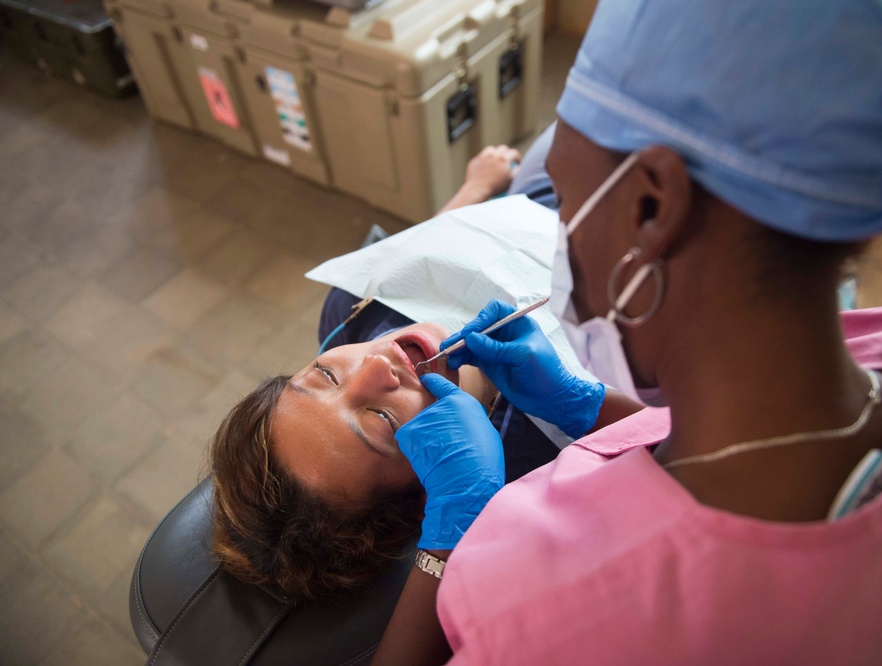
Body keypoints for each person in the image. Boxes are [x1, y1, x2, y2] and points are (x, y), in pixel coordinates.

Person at [372, 1, 882, 663]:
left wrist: (449, 546)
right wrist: (590, 408)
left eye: (564, 198)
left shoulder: (549, 607)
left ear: (651, 205)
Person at [208, 142, 628, 600]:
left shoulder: (350, 313)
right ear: (430, 491)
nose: (373, 365)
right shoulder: (549, 464)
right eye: (381, 419)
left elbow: (428, 245)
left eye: (325, 377)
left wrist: (477, 186)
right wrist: (583, 404)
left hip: (534, 199)